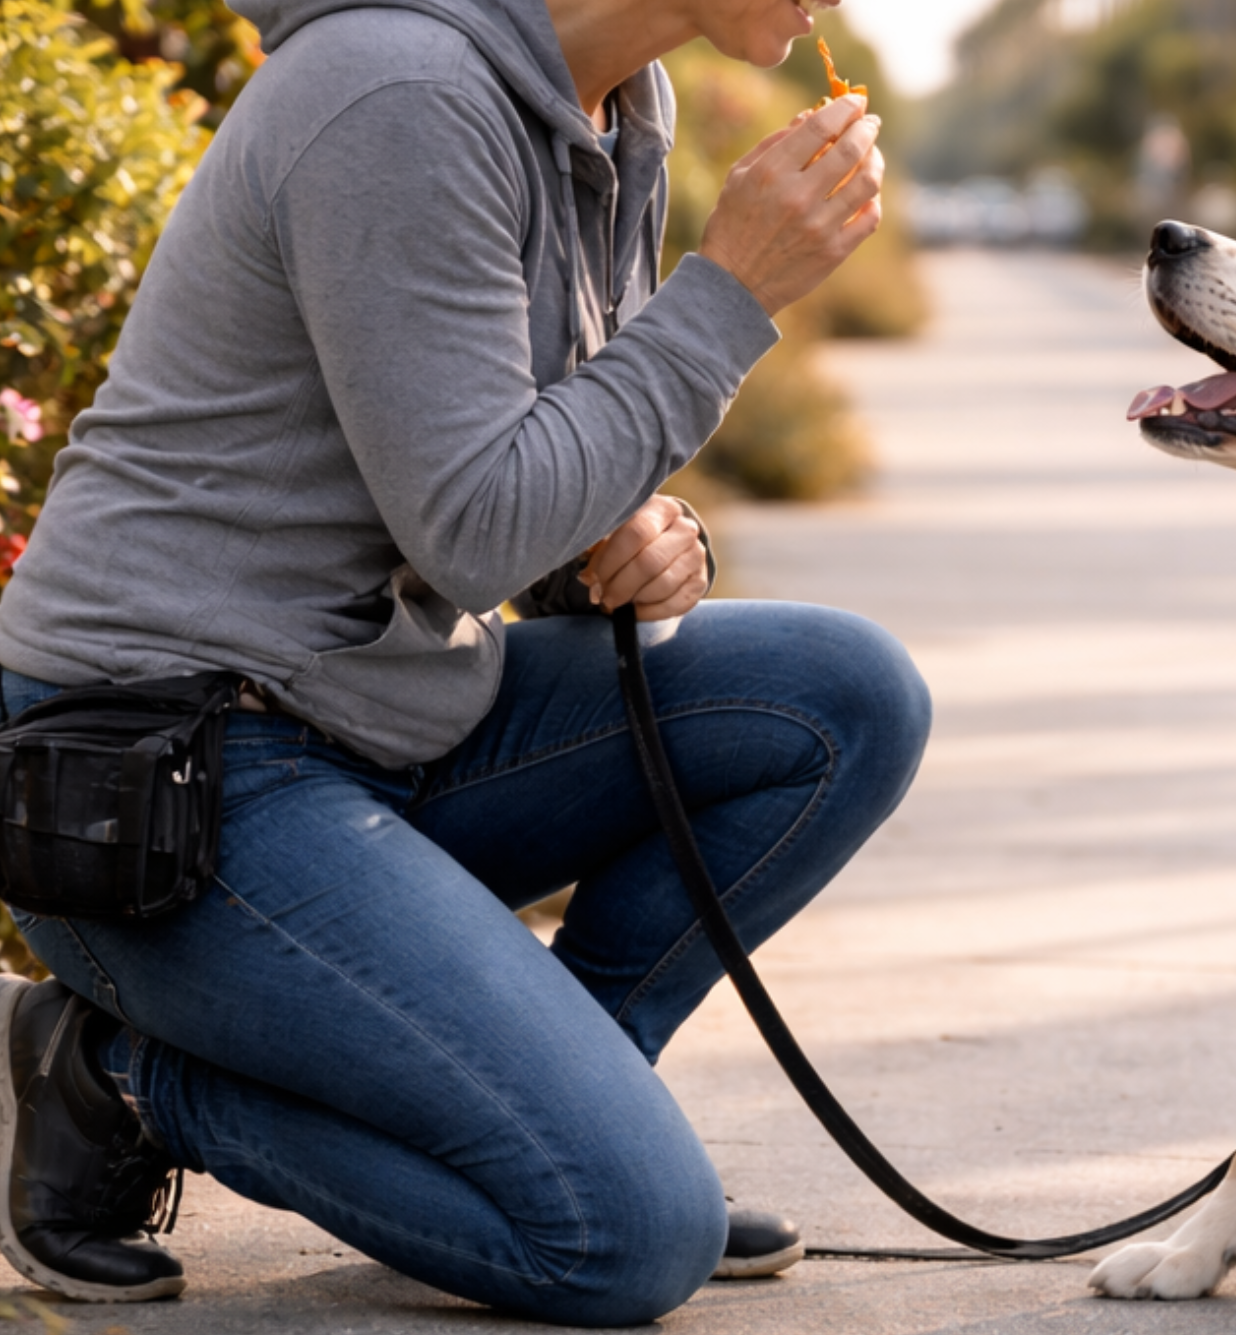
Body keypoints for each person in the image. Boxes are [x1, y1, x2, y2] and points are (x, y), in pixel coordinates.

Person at [0, 0, 929, 1324]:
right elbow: (477, 521)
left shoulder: (621, 110)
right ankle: (112, 1074)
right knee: (626, 1241)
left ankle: (554, 1113)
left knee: (847, 694)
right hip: (162, 782)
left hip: (379, 718)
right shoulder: (401, 92)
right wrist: (731, 292)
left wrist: (639, 543)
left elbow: (514, 485)